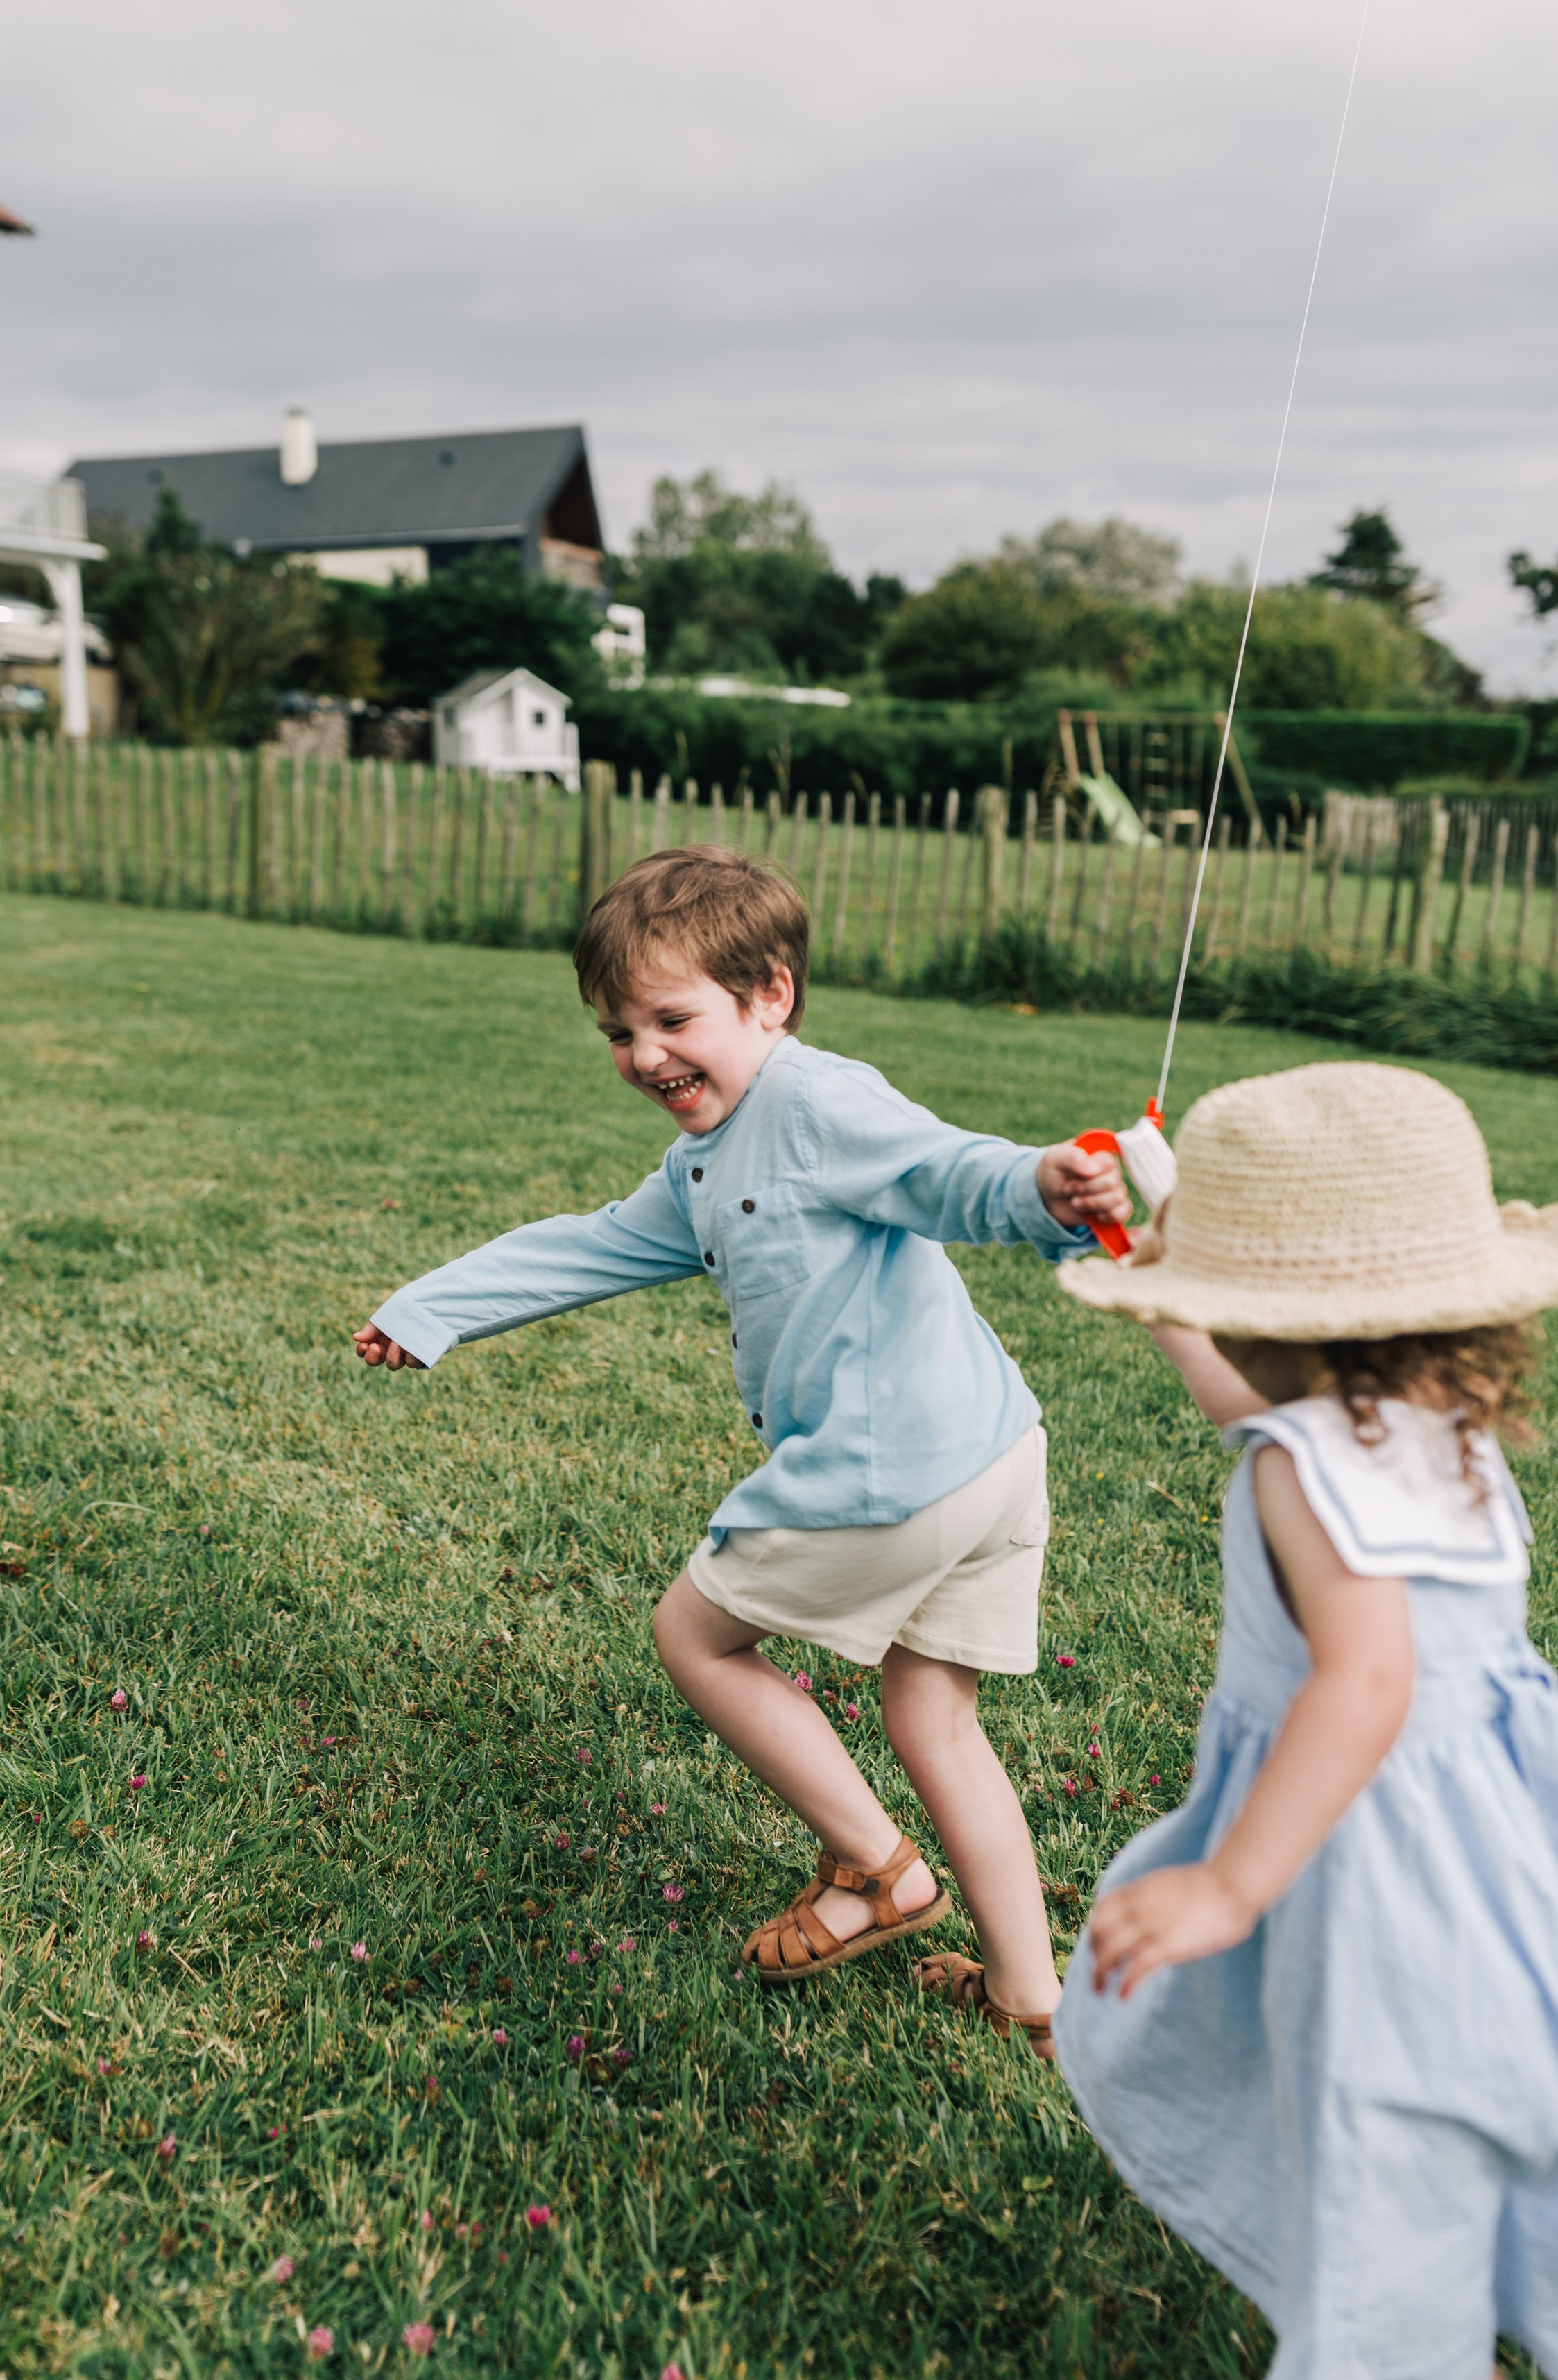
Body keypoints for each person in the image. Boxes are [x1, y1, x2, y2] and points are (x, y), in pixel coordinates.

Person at [354, 846, 1126, 2041]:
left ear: (769, 994)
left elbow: (942, 1170)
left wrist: (1040, 1185)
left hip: (895, 1473)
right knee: (932, 1717)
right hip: (991, 1454)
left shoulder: (817, 1101)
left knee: (695, 1634)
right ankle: (1032, 1999)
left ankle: (876, 1870)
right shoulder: (706, 1158)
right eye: (618, 1031)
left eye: (672, 1018)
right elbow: (591, 1245)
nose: (645, 1055)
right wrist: (435, 1308)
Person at [1047, 1060, 1558, 2378]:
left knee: (1376, 2141)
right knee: (1503, 2089)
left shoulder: (1299, 1468)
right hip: (1503, 1835)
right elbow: (1259, 1407)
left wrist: (1228, 1886)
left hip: (1367, 1856)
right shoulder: (1440, 1428)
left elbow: (1368, 1680)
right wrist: (1174, 1302)